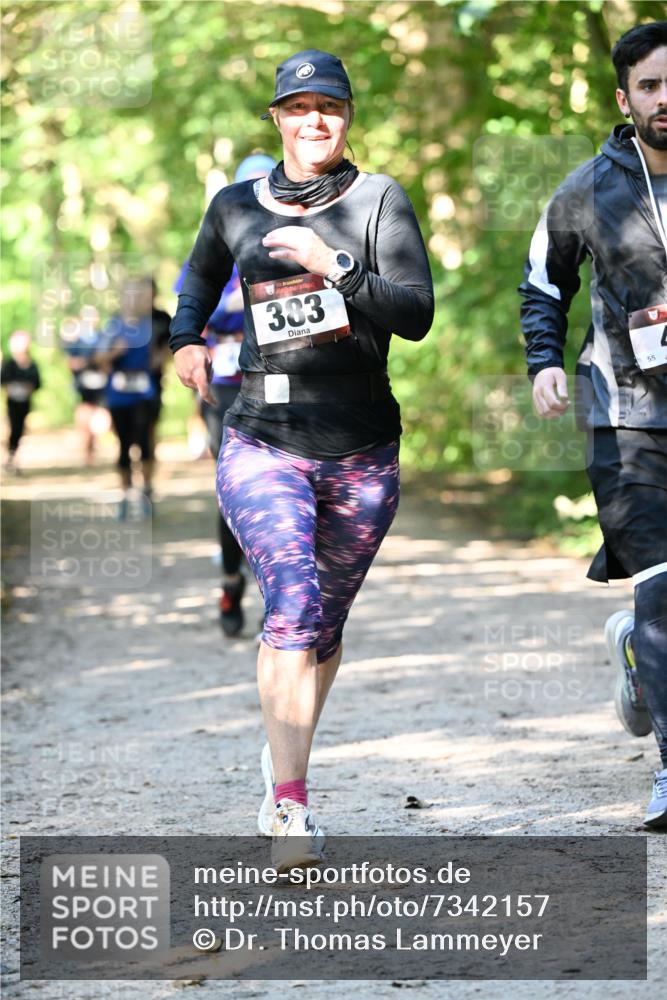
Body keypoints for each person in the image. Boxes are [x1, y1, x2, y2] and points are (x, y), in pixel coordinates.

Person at [170, 49, 433, 870]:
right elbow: (196, 279)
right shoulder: (233, 206)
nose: (314, 120)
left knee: (323, 625)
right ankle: (290, 806)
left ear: (346, 118)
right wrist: (185, 341)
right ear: (277, 118)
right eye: (298, 106)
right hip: (261, 436)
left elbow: (417, 312)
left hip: (360, 445)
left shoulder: (379, 200)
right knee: (289, 604)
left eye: (331, 107)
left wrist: (337, 267)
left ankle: (283, 753)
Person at [519, 21, 667, 829]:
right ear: (623, 99)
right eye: (649, 85)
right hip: (626, 410)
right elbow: (542, 284)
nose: (664, 99)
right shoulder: (586, 189)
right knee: (663, 589)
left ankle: (640, 663)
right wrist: (544, 358)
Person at [174, 154, 276, 637]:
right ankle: (231, 580)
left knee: (286, 486)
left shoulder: (294, 240)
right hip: (226, 382)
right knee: (235, 487)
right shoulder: (218, 242)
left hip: (282, 381)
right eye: (249, 187)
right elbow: (191, 301)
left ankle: (278, 599)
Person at [97, 277, 160, 520]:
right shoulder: (113, 325)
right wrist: (114, 352)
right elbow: (99, 359)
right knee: (123, 444)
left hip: (144, 390)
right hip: (118, 393)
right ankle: (124, 495)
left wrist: (158, 357)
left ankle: (145, 493)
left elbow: (164, 351)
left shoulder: (151, 325)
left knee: (144, 441)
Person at [60, 306, 110, 464]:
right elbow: (70, 362)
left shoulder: (103, 337)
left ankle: (94, 445)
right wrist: (88, 362)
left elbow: (108, 361)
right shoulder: (75, 340)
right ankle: (87, 451)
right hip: (82, 384)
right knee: (85, 416)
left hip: (101, 384)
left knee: (101, 417)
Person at [1, 330, 41, 473]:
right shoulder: (9, 364)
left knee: (19, 429)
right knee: (13, 427)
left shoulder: (32, 365)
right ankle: (10, 456)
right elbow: (4, 381)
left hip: (25, 402)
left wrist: (27, 388)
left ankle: (12, 456)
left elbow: (37, 383)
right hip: (12, 402)